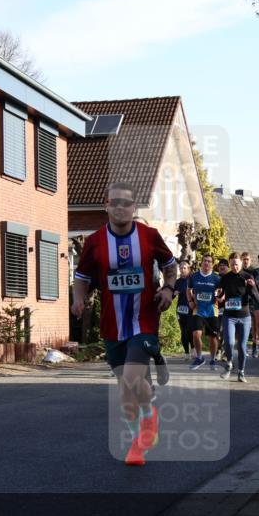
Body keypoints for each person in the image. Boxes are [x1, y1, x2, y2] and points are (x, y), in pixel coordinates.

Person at [71, 182, 177, 467]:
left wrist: (168, 289)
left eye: (126, 203)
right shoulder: (94, 242)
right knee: (125, 387)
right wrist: (78, 301)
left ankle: (143, 432)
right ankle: (138, 431)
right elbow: (80, 278)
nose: (120, 207)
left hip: (144, 317)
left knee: (131, 378)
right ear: (106, 206)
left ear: (134, 208)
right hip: (112, 323)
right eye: (114, 203)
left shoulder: (149, 236)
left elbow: (170, 264)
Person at [216, 254, 258, 382]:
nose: (235, 267)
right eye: (233, 264)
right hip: (229, 316)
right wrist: (219, 297)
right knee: (229, 342)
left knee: (242, 346)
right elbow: (220, 296)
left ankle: (241, 372)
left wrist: (252, 287)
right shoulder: (225, 278)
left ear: (241, 264)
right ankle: (229, 363)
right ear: (229, 264)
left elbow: (257, 298)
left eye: (237, 264)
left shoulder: (247, 276)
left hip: (244, 317)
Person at [188, 255, 222, 369]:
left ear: (212, 264)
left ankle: (212, 360)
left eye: (209, 261)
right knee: (196, 334)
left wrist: (221, 298)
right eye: (205, 261)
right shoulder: (194, 277)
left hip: (212, 311)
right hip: (198, 310)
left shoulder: (217, 278)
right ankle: (199, 357)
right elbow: (188, 289)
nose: (207, 263)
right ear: (201, 263)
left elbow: (223, 291)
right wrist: (190, 301)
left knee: (212, 338)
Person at [174, 260, 194, 359]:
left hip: (190, 308)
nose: (182, 269)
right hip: (180, 309)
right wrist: (174, 294)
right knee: (183, 331)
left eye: (184, 268)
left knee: (190, 330)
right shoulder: (177, 282)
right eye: (180, 268)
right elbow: (172, 295)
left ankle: (193, 348)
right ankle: (186, 353)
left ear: (188, 269)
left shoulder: (192, 280)